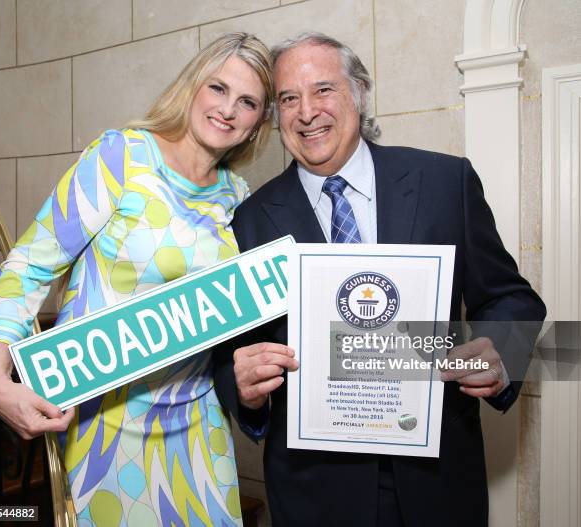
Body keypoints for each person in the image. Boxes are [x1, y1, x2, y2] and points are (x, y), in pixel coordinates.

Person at [213, 32, 546, 527]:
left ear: (360, 93)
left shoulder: (443, 183)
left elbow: (512, 300)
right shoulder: (249, 221)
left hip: (437, 483)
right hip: (314, 495)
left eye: (324, 89)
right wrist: (244, 388)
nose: (307, 111)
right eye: (288, 98)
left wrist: (498, 351)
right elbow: (228, 356)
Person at [0, 32, 274, 526]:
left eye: (247, 102)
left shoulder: (237, 195)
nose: (228, 109)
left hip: (200, 423)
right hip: (106, 427)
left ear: (256, 126)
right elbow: (27, 265)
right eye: (218, 88)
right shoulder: (122, 157)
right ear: (192, 87)